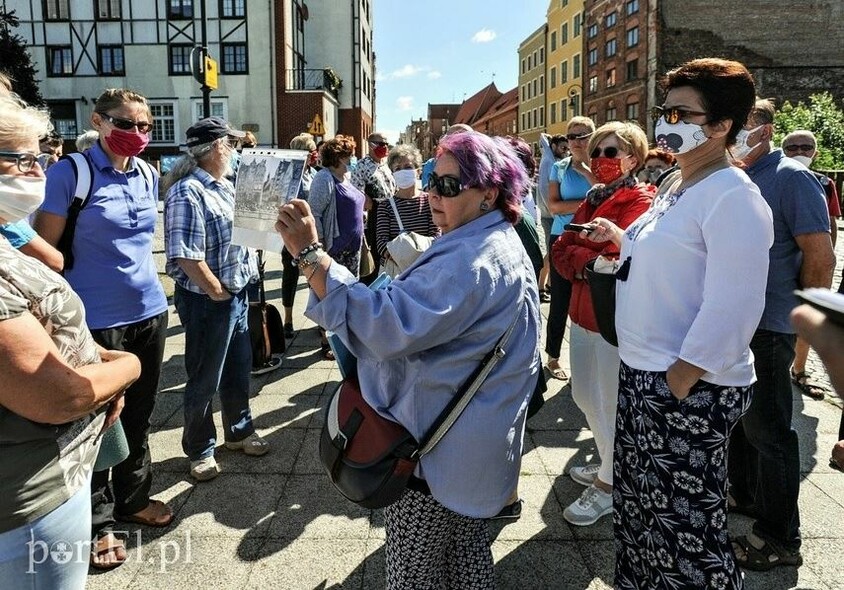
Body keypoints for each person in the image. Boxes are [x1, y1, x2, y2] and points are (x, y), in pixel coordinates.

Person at [276, 129, 541, 589]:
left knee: (413, 572)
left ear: (489, 194)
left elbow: (383, 326)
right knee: (467, 559)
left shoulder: (470, 258)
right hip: (470, 448)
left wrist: (310, 255)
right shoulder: (494, 237)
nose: (433, 195)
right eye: (430, 180)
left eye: (449, 186)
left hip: (431, 455)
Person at [588, 58, 774, 588]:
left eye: (680, 112)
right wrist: (621, 242)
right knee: (640, 516)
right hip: (645, 372)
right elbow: (673, 261)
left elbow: (734, 306)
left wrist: (680, 379)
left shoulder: (734, 197)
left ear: (720, 126)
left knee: (686, 535)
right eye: (664, 110)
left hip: (688, 383)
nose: (666, 121)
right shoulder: (676, 184)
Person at [0, 94, 141, 588]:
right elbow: (59, 396)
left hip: (56, 471)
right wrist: (124, 368)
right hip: (29, 496)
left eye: (40, 156)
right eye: (22, 159)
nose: (37, 169)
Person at [35, 88, 173, 569]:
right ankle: (98, 523)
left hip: (150, 313)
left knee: (139, 415)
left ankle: (134, 499)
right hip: (93, 321)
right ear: (98, 121)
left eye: (145, 126)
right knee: (96, 424)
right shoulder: (70, 174)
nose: (137, 134)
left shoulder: (147, 173)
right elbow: (44, 252)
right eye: (126, 124)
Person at [727, 99, 836, 571]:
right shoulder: (735, 177)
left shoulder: (791, 177)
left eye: (739, 127)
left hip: (771, 324)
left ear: (765, 130)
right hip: (738, 321)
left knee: (770, 432)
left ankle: (780, 538)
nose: (730, 136)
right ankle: (749, 499)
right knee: (743, 425)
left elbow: (821, 255)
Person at [552, 121, 653, 527]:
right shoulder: (593, 197)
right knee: (583, 396)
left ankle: (611, 484)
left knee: (609, 401)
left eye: (611, 152)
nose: (601, 160)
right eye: (597, 152)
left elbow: (627, 251)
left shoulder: (640, 197)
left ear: (633, 157)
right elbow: (562, 249)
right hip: (582, 311)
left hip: (611, 317)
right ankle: (609, 463)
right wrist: (589, 260)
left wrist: (590, 252)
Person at [163, 116, 268, 482]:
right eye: (233, 144)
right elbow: (184, 255)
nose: (237, 151)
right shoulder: (188, 191)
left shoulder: (225, 185)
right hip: (209, 300)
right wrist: (216, 291)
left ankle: (239, 431)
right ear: (218, 147)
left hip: (235, 292)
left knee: (239, 369)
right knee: (205, 377)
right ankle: (200, 449)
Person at [780, 129, 841, 400]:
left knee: (809, 316)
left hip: (811, 259)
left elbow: (831, 222)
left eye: (806, 147)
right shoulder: (779, 178)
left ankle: (800, 368)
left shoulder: (825, 183)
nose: (799, 152)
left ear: (814, 152)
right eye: (792, 148)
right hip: (784, 260)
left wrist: (827, 256)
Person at [545, 116, 596, 380]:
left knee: (592, 301)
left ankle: (589, 358)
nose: (577, 141)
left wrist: (587, 173)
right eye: (572, 136)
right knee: (561, 301)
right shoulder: (560, 168)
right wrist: (590, 203)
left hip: (595, 240)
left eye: (583, 135)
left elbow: (610, 195)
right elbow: (553, 206)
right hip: (562, 238)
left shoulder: (602, 166)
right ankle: (553, 357)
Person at [308, 135, 366, 359]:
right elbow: (315, 213)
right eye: (348, 155)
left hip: (353, 248)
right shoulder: (324, 178)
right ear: (337, 157)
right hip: (334, 250)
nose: (352, 159)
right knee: (329, 295)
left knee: (347, 295)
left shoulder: (346, 177)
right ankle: (327, 340)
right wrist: (319, 246)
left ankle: (343, 335)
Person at [279, 132, 319, 338]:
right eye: (310, 150)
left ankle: (319, 317)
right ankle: (288, 319)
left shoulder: (312, 173)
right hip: (292, 231)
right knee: (291, 274)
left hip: (311, 231)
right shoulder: (288, 174)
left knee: (314, 273)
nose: (314, 154)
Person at [375, 143, 439, 266]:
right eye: (397, 168)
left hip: (426, 268)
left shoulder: (429, 201)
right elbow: (382, 244)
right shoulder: (386, 206)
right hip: (399, 274)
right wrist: (407, 259)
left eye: (407, 167)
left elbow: (436, 236)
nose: (402, 171)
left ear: (418, 171)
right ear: (392, 173)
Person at [351, 131, 396, 283]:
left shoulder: (385, 166)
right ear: (371, 146)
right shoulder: (361, 166)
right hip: (372, 219)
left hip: (389, 214)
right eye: (381, 144)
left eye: (386, 144)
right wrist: (365, 200)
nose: (385, 147)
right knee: (373, 260)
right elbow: (355, 192)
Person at [536, 133, 569, 301]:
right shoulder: (549, 162)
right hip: (550, 215)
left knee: (553, 251)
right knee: (551, 252)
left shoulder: (550, 160)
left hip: (552, 213)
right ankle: (541, 287)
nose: (566, 152)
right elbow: (543, 189)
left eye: (567, 149)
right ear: (554, 146)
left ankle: (548, 284)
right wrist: (554, 210)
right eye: (563, 148)